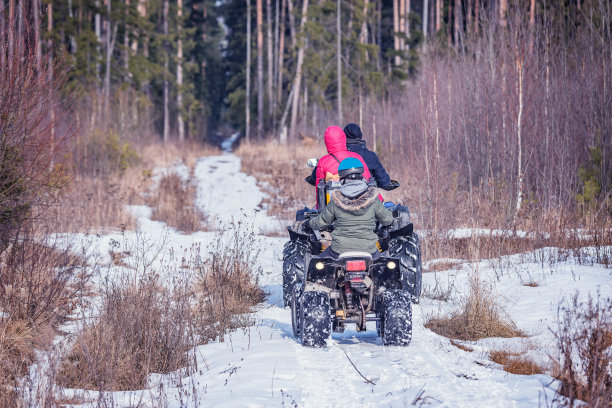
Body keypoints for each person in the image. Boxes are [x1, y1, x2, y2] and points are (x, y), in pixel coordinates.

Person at [307, 158, 393, 259]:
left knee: (318, 266)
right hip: (369, 250)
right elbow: (388, 220)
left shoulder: (335, 201)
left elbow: (321, 222)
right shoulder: (373, 199)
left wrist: (309, 223)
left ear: (342, 178)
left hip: (339, 250)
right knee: (383, 269)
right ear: (361, 176)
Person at [311, 126, 374, 205]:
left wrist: (319, 207)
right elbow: (367, 179)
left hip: (334, 205)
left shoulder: (323, 162)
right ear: (343, 139)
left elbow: (319, 188)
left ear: (327, 142)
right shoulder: (356, 157)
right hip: (359, 203)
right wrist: (379, 200)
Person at [343, 123, 392, 188]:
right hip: (367, 196)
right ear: (360, 135)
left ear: (343, 136)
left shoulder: (339, 155)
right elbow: (384, 182)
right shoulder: (371, 156)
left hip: (343, 195)